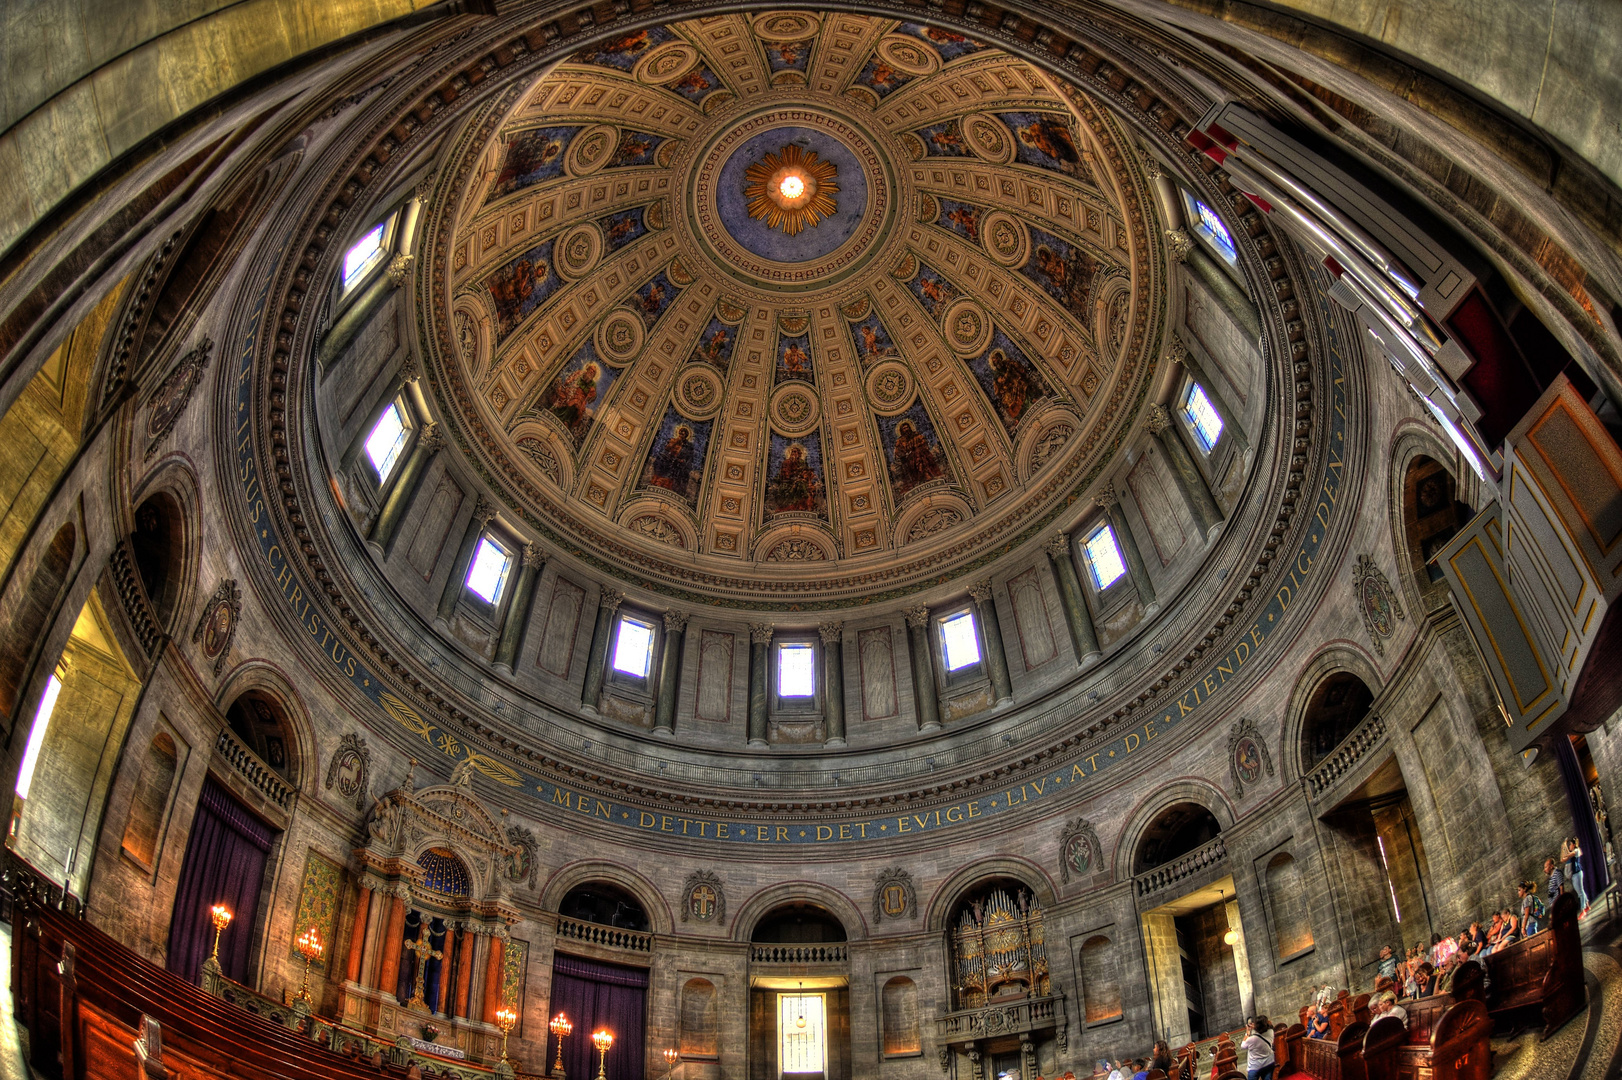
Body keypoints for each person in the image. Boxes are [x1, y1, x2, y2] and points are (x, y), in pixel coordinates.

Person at [1240, 1015, 1275, 1080]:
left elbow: (1243, 1046)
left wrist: (1247, 1033)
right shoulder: (1271, 1032)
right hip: (1269, 1062)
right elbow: (1268, 1027)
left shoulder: (1252, 1039)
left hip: (1255, 1067)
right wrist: (1257, 1027)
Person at [1565, 837, 1590, 915]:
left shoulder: (1575, 851)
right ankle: (1587, 905)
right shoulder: (1577, 850)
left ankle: (1583, 910)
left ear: (1573, 845)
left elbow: (1568, 855)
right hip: (1577, 873)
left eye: (1570, 845)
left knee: (1580, 892)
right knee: (1581, 891)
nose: (1569, 846)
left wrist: (1564, 845)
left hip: (1577, 873)